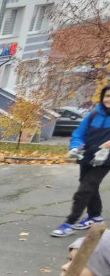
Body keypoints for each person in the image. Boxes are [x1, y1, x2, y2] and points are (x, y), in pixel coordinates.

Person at [52, 86, 110, 237]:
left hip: (105, 160)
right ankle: (95, 216)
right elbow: (79, 133)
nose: (108, 99)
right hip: (87, 157)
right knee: (90, 186)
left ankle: (69, 223)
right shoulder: (94, 114)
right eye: (107, 96)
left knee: (85, 189)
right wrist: (75, 146)